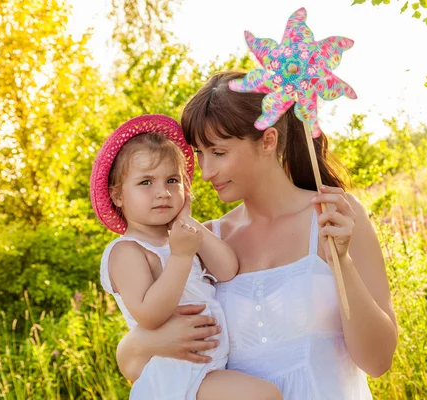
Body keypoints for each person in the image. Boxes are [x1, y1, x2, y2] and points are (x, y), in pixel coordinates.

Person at [116, 72, 398, 399]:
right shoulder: (205, 241)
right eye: (199, 154)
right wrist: (134, 345)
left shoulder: (335, 216)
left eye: (218, 153)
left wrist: (342, 262)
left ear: (267, 141)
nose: (205, 173)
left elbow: (378, 362)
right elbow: (152, 369)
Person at [90, 114, 283, 399]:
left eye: (172, 180)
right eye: (146, 182)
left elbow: (227, 269)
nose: (163, 193)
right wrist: (180, 257)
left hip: (208, 368)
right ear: (118, 196)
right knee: (264, 395)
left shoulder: (183, 237)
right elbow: (149, 316)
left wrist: (188, 224)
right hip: (177, 373)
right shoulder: (127, 251)